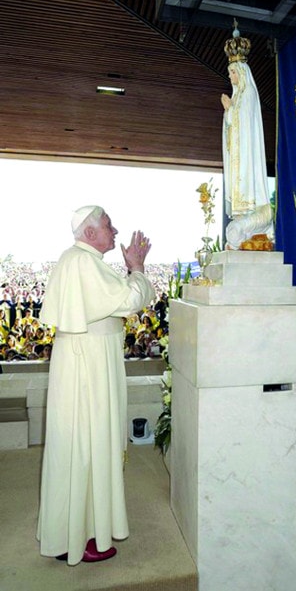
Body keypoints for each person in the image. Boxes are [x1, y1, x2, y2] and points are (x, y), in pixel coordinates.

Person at [36, 205, 155, 566]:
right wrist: (136, 267)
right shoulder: (83, 262)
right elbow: (130, 299)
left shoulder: (78, 261)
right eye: (108, 225)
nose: (115, 231)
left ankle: (65, 534)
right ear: (90, 233)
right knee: (88, 445)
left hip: (81, 360)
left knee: (75, 447)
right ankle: (80, 537)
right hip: (90, 366)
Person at [221, 22, 274, 250]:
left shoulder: (249, 93)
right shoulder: (239, 95)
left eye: (233, 72)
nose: (231, 76)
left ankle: (253, 216)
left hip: (247, 156)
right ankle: (245, 217)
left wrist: (230, 109)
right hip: (238, 156)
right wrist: (229, 110)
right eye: (230, 72)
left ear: (242, 72)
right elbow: (233, 125)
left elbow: (243, 123)